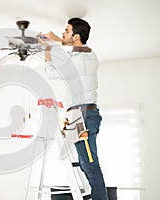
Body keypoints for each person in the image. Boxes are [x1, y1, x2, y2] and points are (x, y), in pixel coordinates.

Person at [38, 18, 108, 200]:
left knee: (90, 165)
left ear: (76, 37)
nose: (63, 33)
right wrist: (50, 45)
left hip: (84, 115)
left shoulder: (87, 56)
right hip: (79, 115)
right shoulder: (75, 58)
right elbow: (53, 70)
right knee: (86, 165)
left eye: (66, 31)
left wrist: (52, 42)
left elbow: (52, 71)